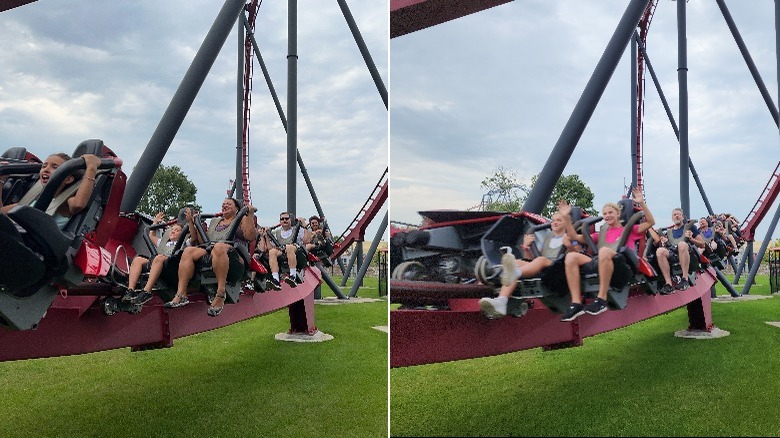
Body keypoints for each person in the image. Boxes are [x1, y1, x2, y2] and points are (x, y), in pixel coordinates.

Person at [558, 187, 656, 322]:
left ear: (618, 214)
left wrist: (642, 203)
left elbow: (651, 222)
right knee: (571, 257)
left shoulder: (630, 229)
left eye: (610, 212)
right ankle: (576, 304)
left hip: (623, 266)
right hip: (604, 263)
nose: (607, 215)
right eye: (605, 213)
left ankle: (601, 299)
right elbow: (575, 236)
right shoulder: (601, 233)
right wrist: (566, 219)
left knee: (603, 251)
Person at [164, 198, 257, 317]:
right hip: (212, 251)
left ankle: (220, 293)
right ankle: (181, 294)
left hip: (235, 256)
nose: (225, 206)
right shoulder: (215, 222)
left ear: (237, 208)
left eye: (228, 204)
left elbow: (250, 236)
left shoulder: (241, 219)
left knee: (219, 247)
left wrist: (249, 214)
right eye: (223, 204)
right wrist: (192, 223)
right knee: (188, 251)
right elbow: (202, 241)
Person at [478, 211, 578, 319]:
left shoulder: (570, 237)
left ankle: (515, 274)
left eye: (559, 220)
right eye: (553, 220)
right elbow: (531, 261)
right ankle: (501, 301)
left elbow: (578, 253)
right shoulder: (548, 240)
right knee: (516, 263)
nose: (555, 223)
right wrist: (526, 247)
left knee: (541, 260)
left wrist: (570, 246)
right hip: (546, 268)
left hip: (560, 270)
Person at [0, 152, 102, 229]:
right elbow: (1, 213)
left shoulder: (64, 203)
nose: (46, 169)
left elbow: (78, 204)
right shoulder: (33, 201)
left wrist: (91, 169)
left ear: (68, 179)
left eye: (55, 167)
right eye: (44, 166)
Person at [121, 212, 184, 305]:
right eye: (172, 229)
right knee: (138, 259)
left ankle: (147, 291)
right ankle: (130, 290)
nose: (173, 231)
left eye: (177, 230)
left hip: (172, 265)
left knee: (159, 257)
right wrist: (155, 223)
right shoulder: (165, 243)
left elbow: (193, 239)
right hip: (158, 262)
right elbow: (151, 236)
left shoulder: (184, 243)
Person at [654, 208, 705, 294]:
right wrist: (663, 242)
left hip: (689, 256)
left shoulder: (690, 228)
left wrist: (692, 239)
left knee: (681, 244)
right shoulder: (669, 232)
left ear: (682, 217)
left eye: (678, 214)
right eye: (674, 215)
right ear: (672, 218)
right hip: (674, 256)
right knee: (660, 251)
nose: (676, 216)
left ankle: (685, 279)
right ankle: (668, 284)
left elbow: (702, 244)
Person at [267, 212, 309, 290]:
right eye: (282, 219)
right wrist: (266, 236)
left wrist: (304, 225)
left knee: (289, 247)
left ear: (290, 220)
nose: (284, 220)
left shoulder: (297, 229)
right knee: (272, 252)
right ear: (280, 221)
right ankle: (275, 279)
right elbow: (270, 248)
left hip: (297, 253)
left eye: (286, 219)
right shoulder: (277, 232)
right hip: (283, 252)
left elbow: (306, 240)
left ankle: (293, 275)